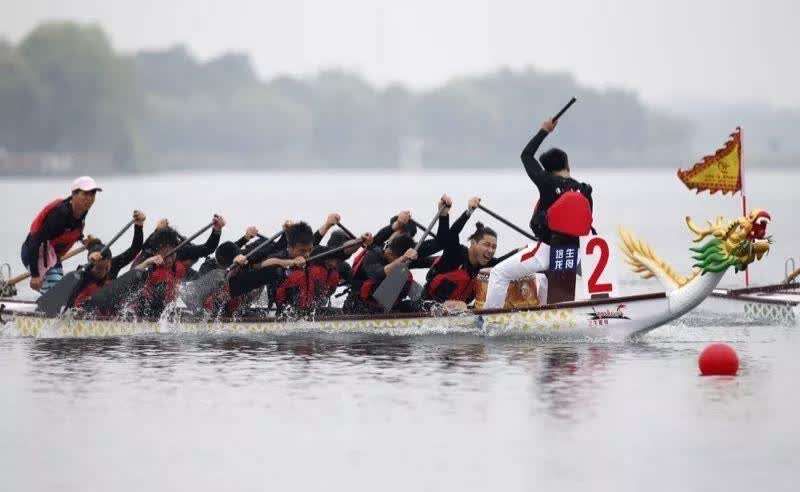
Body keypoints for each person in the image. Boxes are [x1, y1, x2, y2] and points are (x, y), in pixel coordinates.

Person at [483, 117, 594, 309]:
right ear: (568, 165)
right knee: (543, 278)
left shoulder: (547, 181)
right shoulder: (584, 190)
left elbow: (526, 155)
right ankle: (557, 313)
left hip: (548, 251)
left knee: (498, 273)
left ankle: (486, 322)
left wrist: (544, 130)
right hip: (576, 254)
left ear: (548, 170)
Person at [344, 196, 451, 314]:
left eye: (407, 235)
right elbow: (378, 274)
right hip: (359, 307)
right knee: (402, 273)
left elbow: (441, 242)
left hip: (386, 307)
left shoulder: (406, 247)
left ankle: (437, 308)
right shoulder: (374, 251)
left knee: (422, 302)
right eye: (399, 232)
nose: (403, 238)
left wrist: (443, 215)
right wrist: (402, 258)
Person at [423, 197, 520, 310]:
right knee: (461, 306)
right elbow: (451, 234)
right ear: (473, 243)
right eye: (486, 245)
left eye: (494, 247)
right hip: (427, 306)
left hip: (456, 313)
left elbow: (504, 260)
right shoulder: (455, 253)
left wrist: (526, 249)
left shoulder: (486, 265)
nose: (490, 250)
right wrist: (468, 212)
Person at [21, 176, 101, 294]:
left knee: (63, 291)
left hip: (51, 256)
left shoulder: (81, 210)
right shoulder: (60, 214)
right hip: (34, 253)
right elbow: (34, 241)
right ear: (74, 194)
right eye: (85, 194)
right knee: (56, 292)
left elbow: (69, 230)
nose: (89, 199)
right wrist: (35, 275)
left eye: (92, 194)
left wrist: (83, 240)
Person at [137, 215, 226, 317]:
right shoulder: (149, 257)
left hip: (168, 309)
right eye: (165, 255)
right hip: (146, 307)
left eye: (172, 255)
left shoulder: (181, 252)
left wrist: (217, 230)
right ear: (155, 252)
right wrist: (147, 262)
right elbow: (133, 269)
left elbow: (207, 248)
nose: (169, 260)